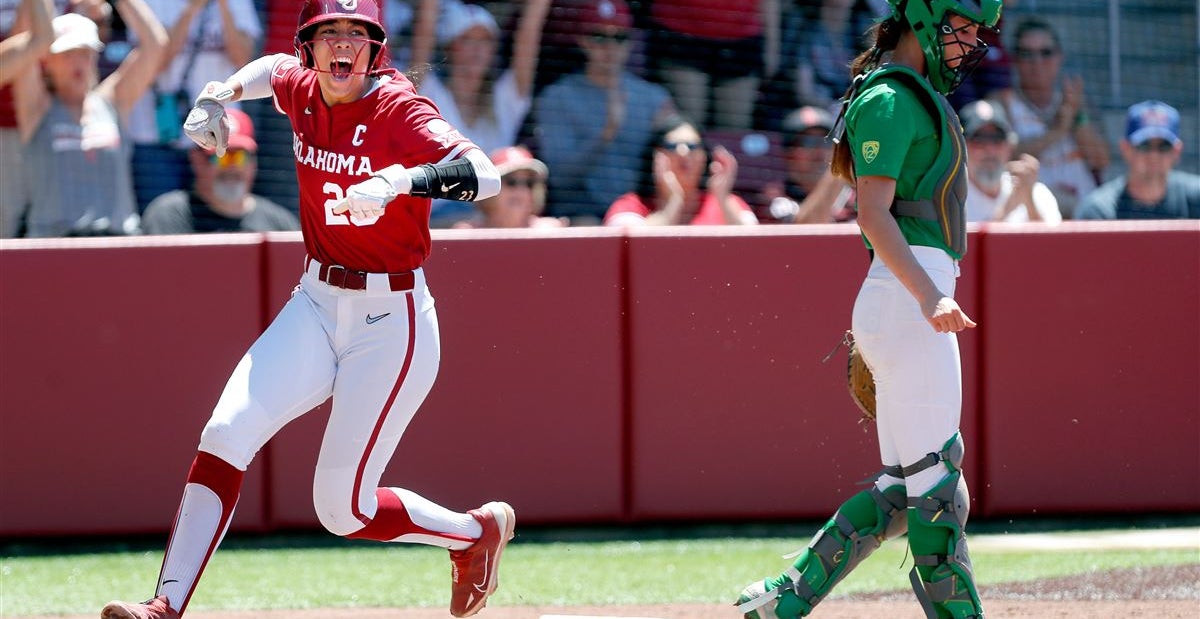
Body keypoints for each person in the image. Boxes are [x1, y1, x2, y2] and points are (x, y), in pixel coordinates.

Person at [99, 1, 513, 618]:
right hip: (317, 302)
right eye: (328, 34)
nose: (341, 46)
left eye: (356, 34)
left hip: (391, 320)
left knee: (342, 509)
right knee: (223, 434)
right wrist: (219, 93)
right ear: (309, 46)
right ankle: (166, 606)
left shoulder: (398, 106)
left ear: (375, 48)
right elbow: (269, 70)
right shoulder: (302, 83)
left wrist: (399, 182)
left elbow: (485, 176)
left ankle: (474, 533)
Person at [736, 1, 1000, 619]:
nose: (970, 42)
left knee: (909, 491)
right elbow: (873, 214)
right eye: (961, 26)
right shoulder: (891, 97)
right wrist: (930, 295)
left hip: (905, 294)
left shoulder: (910, 94)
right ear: (925, 17)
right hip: (910, 292)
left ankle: (786, 598)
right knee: (938, 491)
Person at [11, 0, 167, 237]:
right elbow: (22, 40)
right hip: (54, 248)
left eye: (85, 52)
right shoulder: (36, 108)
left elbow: (155, 45)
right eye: (67, 54)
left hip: (117, 245)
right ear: (45, 60)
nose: (78, 62)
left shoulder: (113, 101)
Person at [533, 0, 676, 224]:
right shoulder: (557, 97)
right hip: (579, 214)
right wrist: (605, 134)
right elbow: (559, 177)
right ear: (582, 41)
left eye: (619, 38)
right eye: (599, 37)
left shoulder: (653, 98)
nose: (610, 48)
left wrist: (672, 135)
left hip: (638, 213)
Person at [412, 0, 550, 227]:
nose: (477, 49)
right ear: (449, 47)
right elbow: (425, 27)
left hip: (498, 216)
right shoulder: (427, 93)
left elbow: (529, 34)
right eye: (467, 39)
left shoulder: (503, 102)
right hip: (438, 221)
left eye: (485, 40)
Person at [127, 0, 262, 214]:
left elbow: (243, 59)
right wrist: (191, 9)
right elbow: (152, 62)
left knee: (215, 223)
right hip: (158, 139)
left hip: (219, 136)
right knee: (161, 222)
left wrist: (224, 6)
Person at [996, 16, 1108, 218]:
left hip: (1085, 216)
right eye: (1027, 54)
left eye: (1045, 53)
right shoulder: (1003, 102)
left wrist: (1077, 117)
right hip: (1032, 215)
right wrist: (1057, 131)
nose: (1037, 62)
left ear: (1060, 57)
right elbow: (1003, 156)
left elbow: (1101, 160)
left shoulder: (1076, 100)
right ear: (1015, 60)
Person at [141, 108, 299, 233]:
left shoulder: (280, 225)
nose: (232, 166)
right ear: (196, 159)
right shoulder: (168, 216)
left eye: (239, 156)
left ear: (253, 163)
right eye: (221, 155)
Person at [644, 0, 778, 130]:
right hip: (680, 32)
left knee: (733, 129)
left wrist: (772, 46)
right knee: (689, 125)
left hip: (741, 39)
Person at [604, 114, 756, 226]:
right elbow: (632, 248)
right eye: (671, 146)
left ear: (705, 157)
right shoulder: (630, 205)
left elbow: (755, 248)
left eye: (692, 146)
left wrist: (722, 198)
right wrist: (673, 202)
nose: (683, 153)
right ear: (654, 156)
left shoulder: (729, 204)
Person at [1075, 100, 1200, 220]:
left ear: (1177, 151)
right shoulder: (1099, 210)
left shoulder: (1196, 199)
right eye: (1144, 145)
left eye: (1163, 146)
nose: (1154, 155)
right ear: (1125, 149)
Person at [960, 98, 1060, 223]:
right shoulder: (950, 199)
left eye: (997, 139)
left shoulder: (1036, 192)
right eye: (979, 140)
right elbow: (972, 243)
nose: (990, 150)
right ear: (961, 148)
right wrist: (1006, 210)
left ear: (1010, 146)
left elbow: (1054, 242)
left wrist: (1029, 202)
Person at [761, 104, 855, 223]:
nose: (819, 151)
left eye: (826, 141)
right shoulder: (775, 198)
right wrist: (840, 168)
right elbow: (802, 236)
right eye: (809, 143)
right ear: (788, 154)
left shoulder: (859, 197)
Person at [455, 144, 565, 229]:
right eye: (511, 182)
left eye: (529, 183)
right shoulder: (467, 234)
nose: (521, 190)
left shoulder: (550, 232)